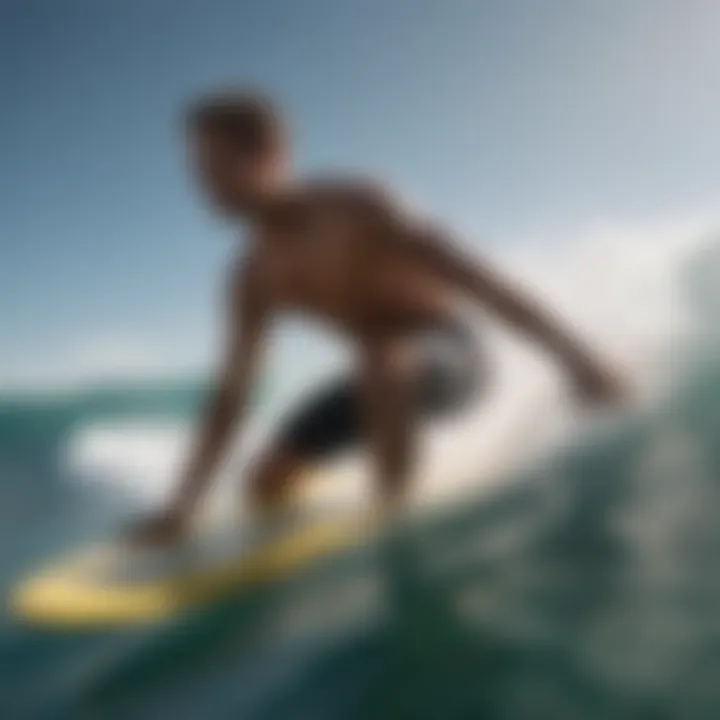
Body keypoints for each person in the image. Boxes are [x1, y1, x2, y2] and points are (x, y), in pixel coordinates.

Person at [131, 88, 625, 544]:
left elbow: (479, 279)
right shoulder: (250, 279)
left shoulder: (359, 206)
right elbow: (232, 393)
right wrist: (184, 505)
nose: (204, 187)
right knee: (263, 482)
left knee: (379, 356)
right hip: (376, 378)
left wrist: (579, 360)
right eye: (197, 172)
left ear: (270, 152)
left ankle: (398, 527)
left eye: (216, 167)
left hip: (453, 360)